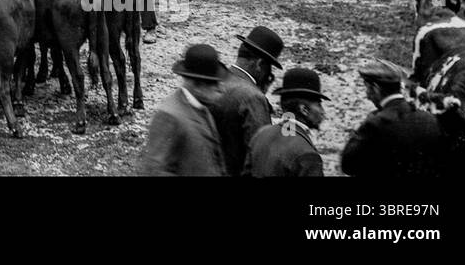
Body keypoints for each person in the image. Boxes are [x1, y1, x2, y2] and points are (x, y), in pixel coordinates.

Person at [340, 59, 444, 177]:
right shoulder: (430, 119)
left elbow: (348, 164)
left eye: (367, 88)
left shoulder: (376, 124)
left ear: (376, 88)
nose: (367, 96)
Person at [137, 44, 228, 176]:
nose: (222, 89)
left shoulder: (202, 107)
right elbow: (154, 170)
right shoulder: (169, 116)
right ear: (197, 85)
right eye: (215, 83)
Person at [209, 26, 284, 176]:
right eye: (268, 68)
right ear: (259, 64)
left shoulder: (214, 80)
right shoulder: (252, 97)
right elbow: (262, 154)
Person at [244, 67, 327, 177]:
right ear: (304, 110)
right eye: (319, 105)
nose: (322, 112)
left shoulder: (261, 134)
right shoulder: (307, 155)